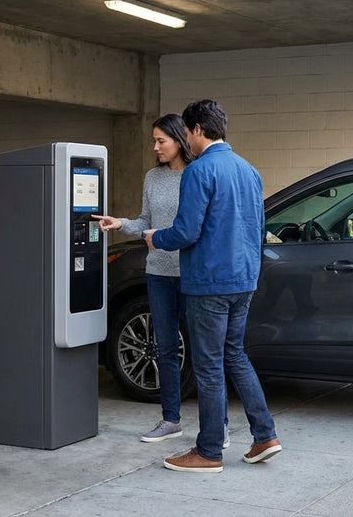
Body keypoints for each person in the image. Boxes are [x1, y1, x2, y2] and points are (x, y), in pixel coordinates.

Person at [146, 99, 281, 473]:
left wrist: (156, 238)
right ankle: (265, 435)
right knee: (234, 355)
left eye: (186, 132)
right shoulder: (249, 170)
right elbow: (257, 230)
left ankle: (208, 452)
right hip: (243, 280)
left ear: (198, 131)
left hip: (208, 283)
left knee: (208, 367)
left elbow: (186, 231)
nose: (186, 139)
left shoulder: (199, 171)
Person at [92, 114, 197, 443]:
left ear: (179, 140)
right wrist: (119, 223)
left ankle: (216, 425)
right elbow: (145, 222)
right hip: (158, 274)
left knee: (207, 352)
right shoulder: (153, 177)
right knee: (164, 348)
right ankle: (170, 420)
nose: (155, 147)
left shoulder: (198, 175)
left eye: (161, 141)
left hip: (193, 275)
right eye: (154, 141)